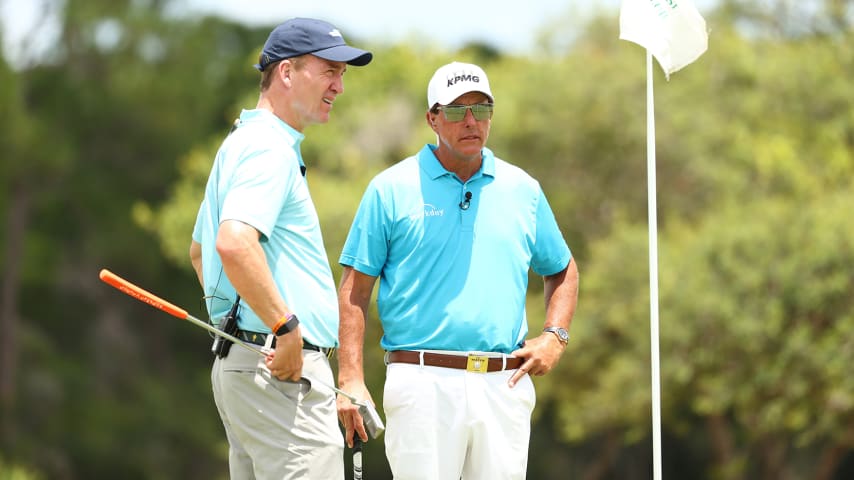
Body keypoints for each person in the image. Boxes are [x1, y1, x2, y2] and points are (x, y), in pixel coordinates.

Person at [336, 61, 579, 479]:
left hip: (503, 384)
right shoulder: (390, 188)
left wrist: (555, 336)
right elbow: (355, 292)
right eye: (455, 110)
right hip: (420, 380)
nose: (470, 121)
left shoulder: (523, 189)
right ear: (432, 118)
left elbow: (562, 269)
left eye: (481, 109)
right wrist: (351, 379)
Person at [189, 18, 372, 480]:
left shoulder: (242, 142)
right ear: (287, 73)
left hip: (251, 369)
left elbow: (199, 253)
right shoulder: (268, 148)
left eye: (343, 73)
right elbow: (232, 243)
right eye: (330, 70)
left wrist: (242, 327)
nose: (339, 86)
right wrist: (283, 328)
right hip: (281, 375)